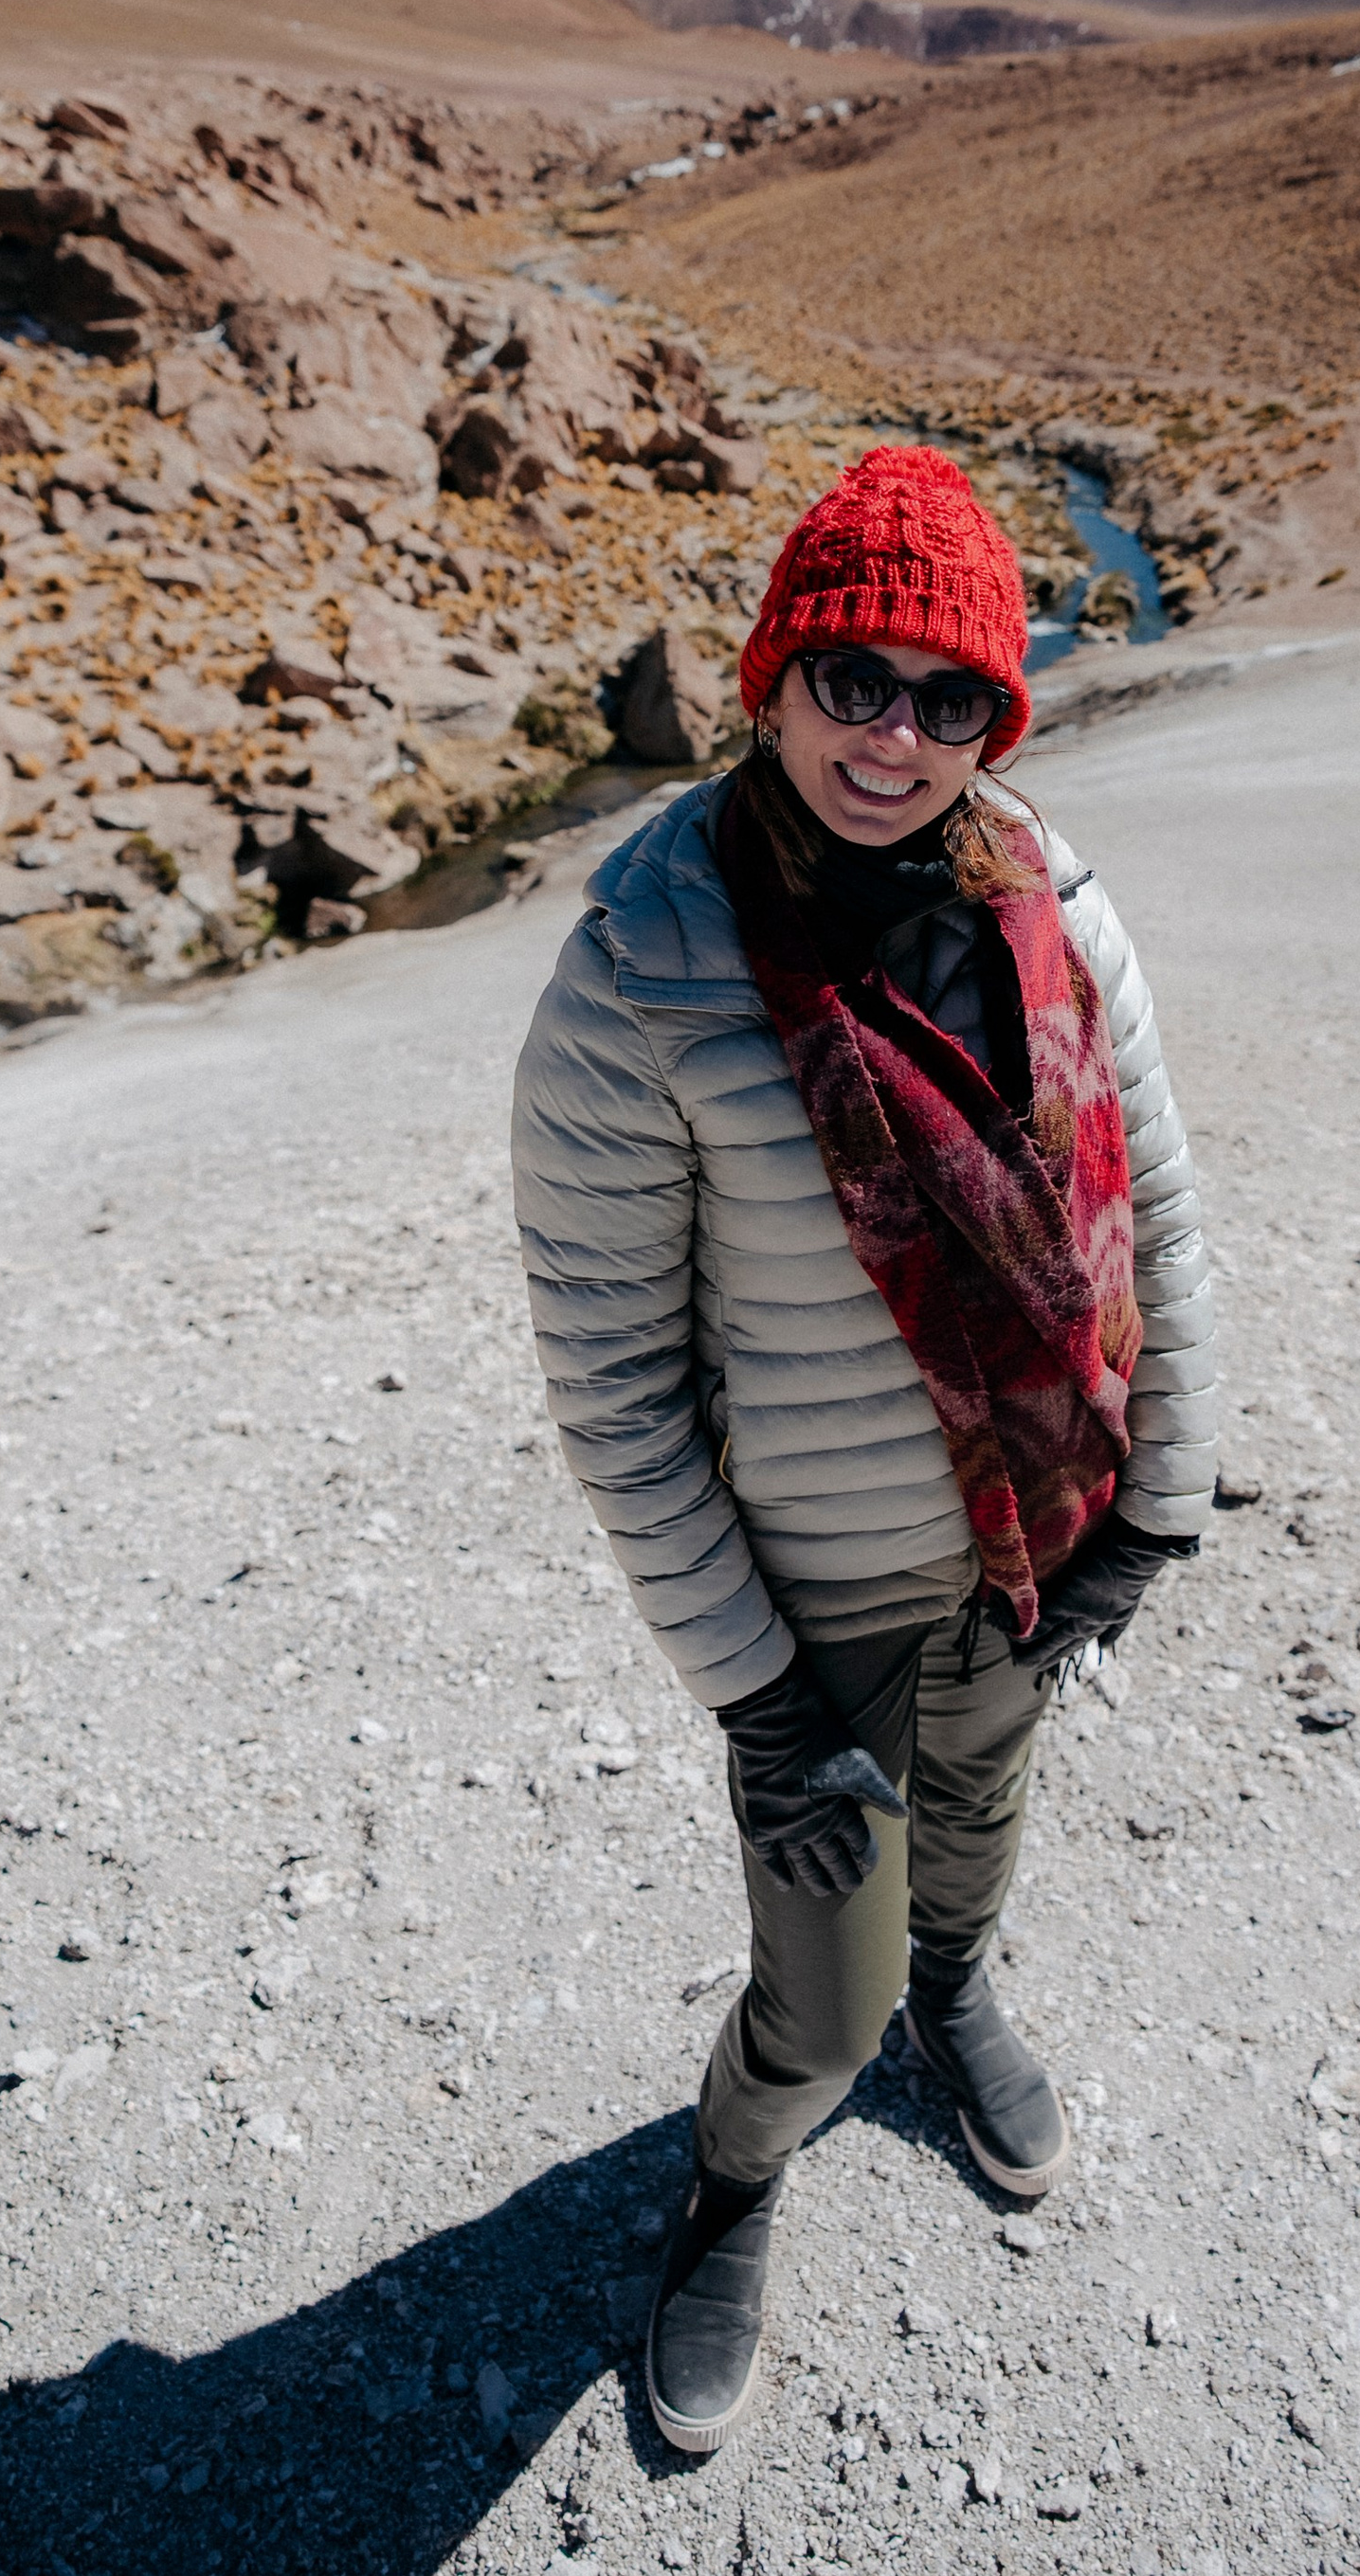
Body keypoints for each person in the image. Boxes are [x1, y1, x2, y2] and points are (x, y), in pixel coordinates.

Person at [512, 445, 1217, 2452]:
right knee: (813, 1982)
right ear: (769, 679)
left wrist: (1153, 1501)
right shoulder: (643, 966)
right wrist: (751, 1696)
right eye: (850, 680)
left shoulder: (1052, 909)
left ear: (993, 712)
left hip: (1032, 1538)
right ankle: (742, 2165)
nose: (891, 739)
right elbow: (616, 1390)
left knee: (976, 1828)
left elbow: (1154, 1221)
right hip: (809, 1593)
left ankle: (960, 1994)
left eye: (943, 696)